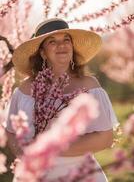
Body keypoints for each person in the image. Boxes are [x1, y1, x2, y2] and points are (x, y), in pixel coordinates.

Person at [5, 18, 119, 181]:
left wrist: (50, 149)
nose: (62, 45)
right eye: (52, 42)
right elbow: (10, 131)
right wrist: (25, 154)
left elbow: (105, 138)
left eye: (66, 40)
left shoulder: (89, 86)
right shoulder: (23, 90)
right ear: (42, 52)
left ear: (72, 47)